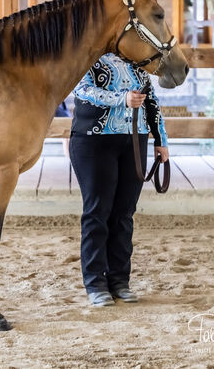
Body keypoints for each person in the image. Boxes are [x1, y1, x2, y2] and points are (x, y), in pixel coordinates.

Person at [69, 53, 169, 307]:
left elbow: (151, 100)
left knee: (124, 213)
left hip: (135, 139)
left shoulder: (137, 62)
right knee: (97, 211)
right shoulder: (87, 56)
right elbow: (81, 90)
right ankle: (95, 282)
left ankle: (119, 280)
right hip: (94, 139)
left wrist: (161, 140)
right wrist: (121, 99)